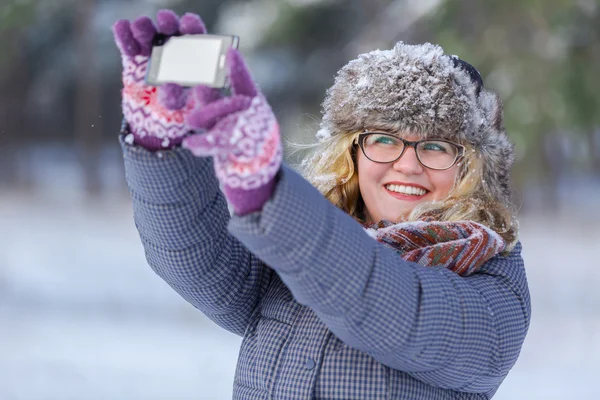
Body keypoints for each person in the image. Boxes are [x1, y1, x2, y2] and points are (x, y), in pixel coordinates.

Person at [113, 9, 530, 400]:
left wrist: (269, 196)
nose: (407, 165)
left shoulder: (493, 281)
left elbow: (391, 307)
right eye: (383, 139)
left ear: (472, 167)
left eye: (436, 146)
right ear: (351, 153)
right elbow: (194, 261)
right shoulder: (300, 246)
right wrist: (161, 145)